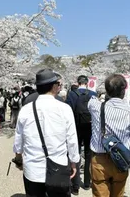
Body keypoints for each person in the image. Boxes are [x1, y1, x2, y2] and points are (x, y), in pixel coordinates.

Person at [13, 69, 80, 197]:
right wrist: (73, 162)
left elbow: (18, 140)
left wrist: (19, 158)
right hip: (58, 167)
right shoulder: (65, 108)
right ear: (54, 86)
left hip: (33, 169)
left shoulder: (26, 109)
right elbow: (72, 139)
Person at [88, 74, 130, 197]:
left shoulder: (95, 106)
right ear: (124, 90)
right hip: (121, 159)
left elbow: (91, 97)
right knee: (118, 193)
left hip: (99, 159)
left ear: (106, 90)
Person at [66, 75, 97, 195]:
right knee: (89, 155)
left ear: (78, 83)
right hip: (89, 128)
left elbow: (68, 112)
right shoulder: (93, 95)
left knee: (75, 154)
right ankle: (87, 183)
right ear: (87, 83)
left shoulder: (72, 94)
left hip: (76, 128)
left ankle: (75, 186)